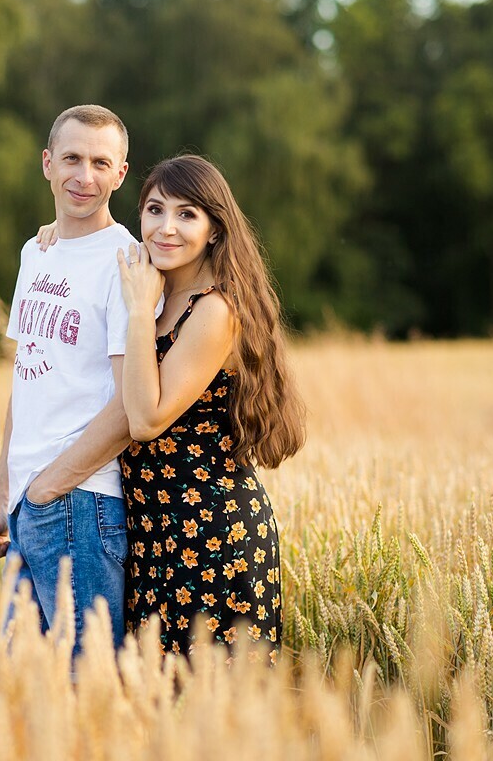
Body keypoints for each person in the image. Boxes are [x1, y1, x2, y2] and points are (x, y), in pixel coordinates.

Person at [114, 154, 306, 662]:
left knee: (214, 717)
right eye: (155, 210)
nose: (165, 228)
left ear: (215, 230)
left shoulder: (214, 309)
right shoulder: (156, 295)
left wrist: (136, 310)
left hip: (213, 533)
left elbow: (146, 419)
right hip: (153, 534)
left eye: (186, 214)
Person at [0, 104, 135, 652]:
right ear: (47, 163)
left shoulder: (126, 262)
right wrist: (4, 495)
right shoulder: (35, 253)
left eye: (99, 162)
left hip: (81, 506)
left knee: (85, 691)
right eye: (71, 158)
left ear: (120, 173)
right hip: (27, 506)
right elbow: (27, 383)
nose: (83, 176)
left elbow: (129, 404)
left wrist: (53, 484)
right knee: (22, 701)